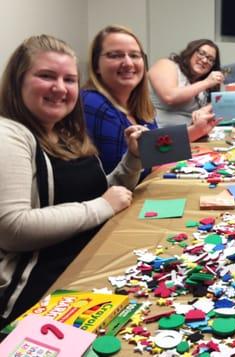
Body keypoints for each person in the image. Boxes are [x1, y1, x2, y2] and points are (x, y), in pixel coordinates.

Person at [0, 34, 146, 326]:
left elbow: (102, 193)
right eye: (46, 76)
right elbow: (12, 228)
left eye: (69, 80)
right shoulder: (8, 135)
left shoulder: (64, 133)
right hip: (35, 292)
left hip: (87, 262)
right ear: (18, 82)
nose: (60, 88)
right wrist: (101, 207)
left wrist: (133, 159)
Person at [82, 25, 157, 177]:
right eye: (115, 55)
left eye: (135, 55)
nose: (128, 63)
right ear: (96, 65)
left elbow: (157, 154)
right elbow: (119, 176)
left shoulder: (140, 105)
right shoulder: (94, 104)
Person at [148, 39, 222, 135]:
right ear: (190, 52)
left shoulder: (201, 83)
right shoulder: (167, 64)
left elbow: (215, 105)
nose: (204, 60)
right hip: (158, 138)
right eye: (201, 53)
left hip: (190, 137)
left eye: (210, 59)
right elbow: (170, 97)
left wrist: (206, 108)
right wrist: (207, 82)